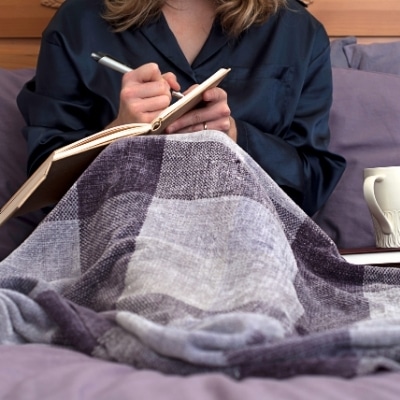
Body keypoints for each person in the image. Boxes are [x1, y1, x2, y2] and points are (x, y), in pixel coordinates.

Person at [17, 0, 345, 217]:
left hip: (252, 241)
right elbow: (43, 192)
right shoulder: (79, 22)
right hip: (122, 242)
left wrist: (236, 136)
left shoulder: (297, 31)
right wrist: (117, 134)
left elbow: (312, 187)